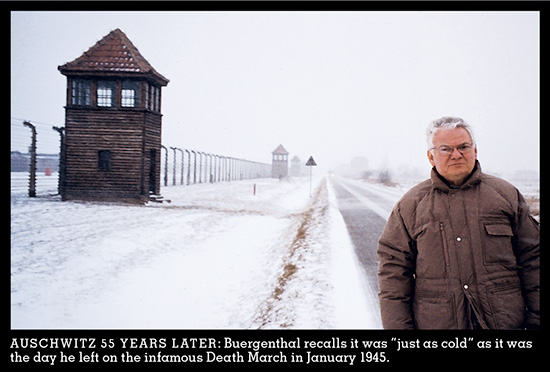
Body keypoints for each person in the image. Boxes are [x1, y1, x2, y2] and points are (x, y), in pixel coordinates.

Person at [377, 116, 539, 329]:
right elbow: (393, 275)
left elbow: (533, 258)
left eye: (463, 146)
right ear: (431, 156)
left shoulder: (505, 195)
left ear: (475, 150)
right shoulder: (410, 205)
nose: (456, 155)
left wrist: (536, 320)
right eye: (446, 149)